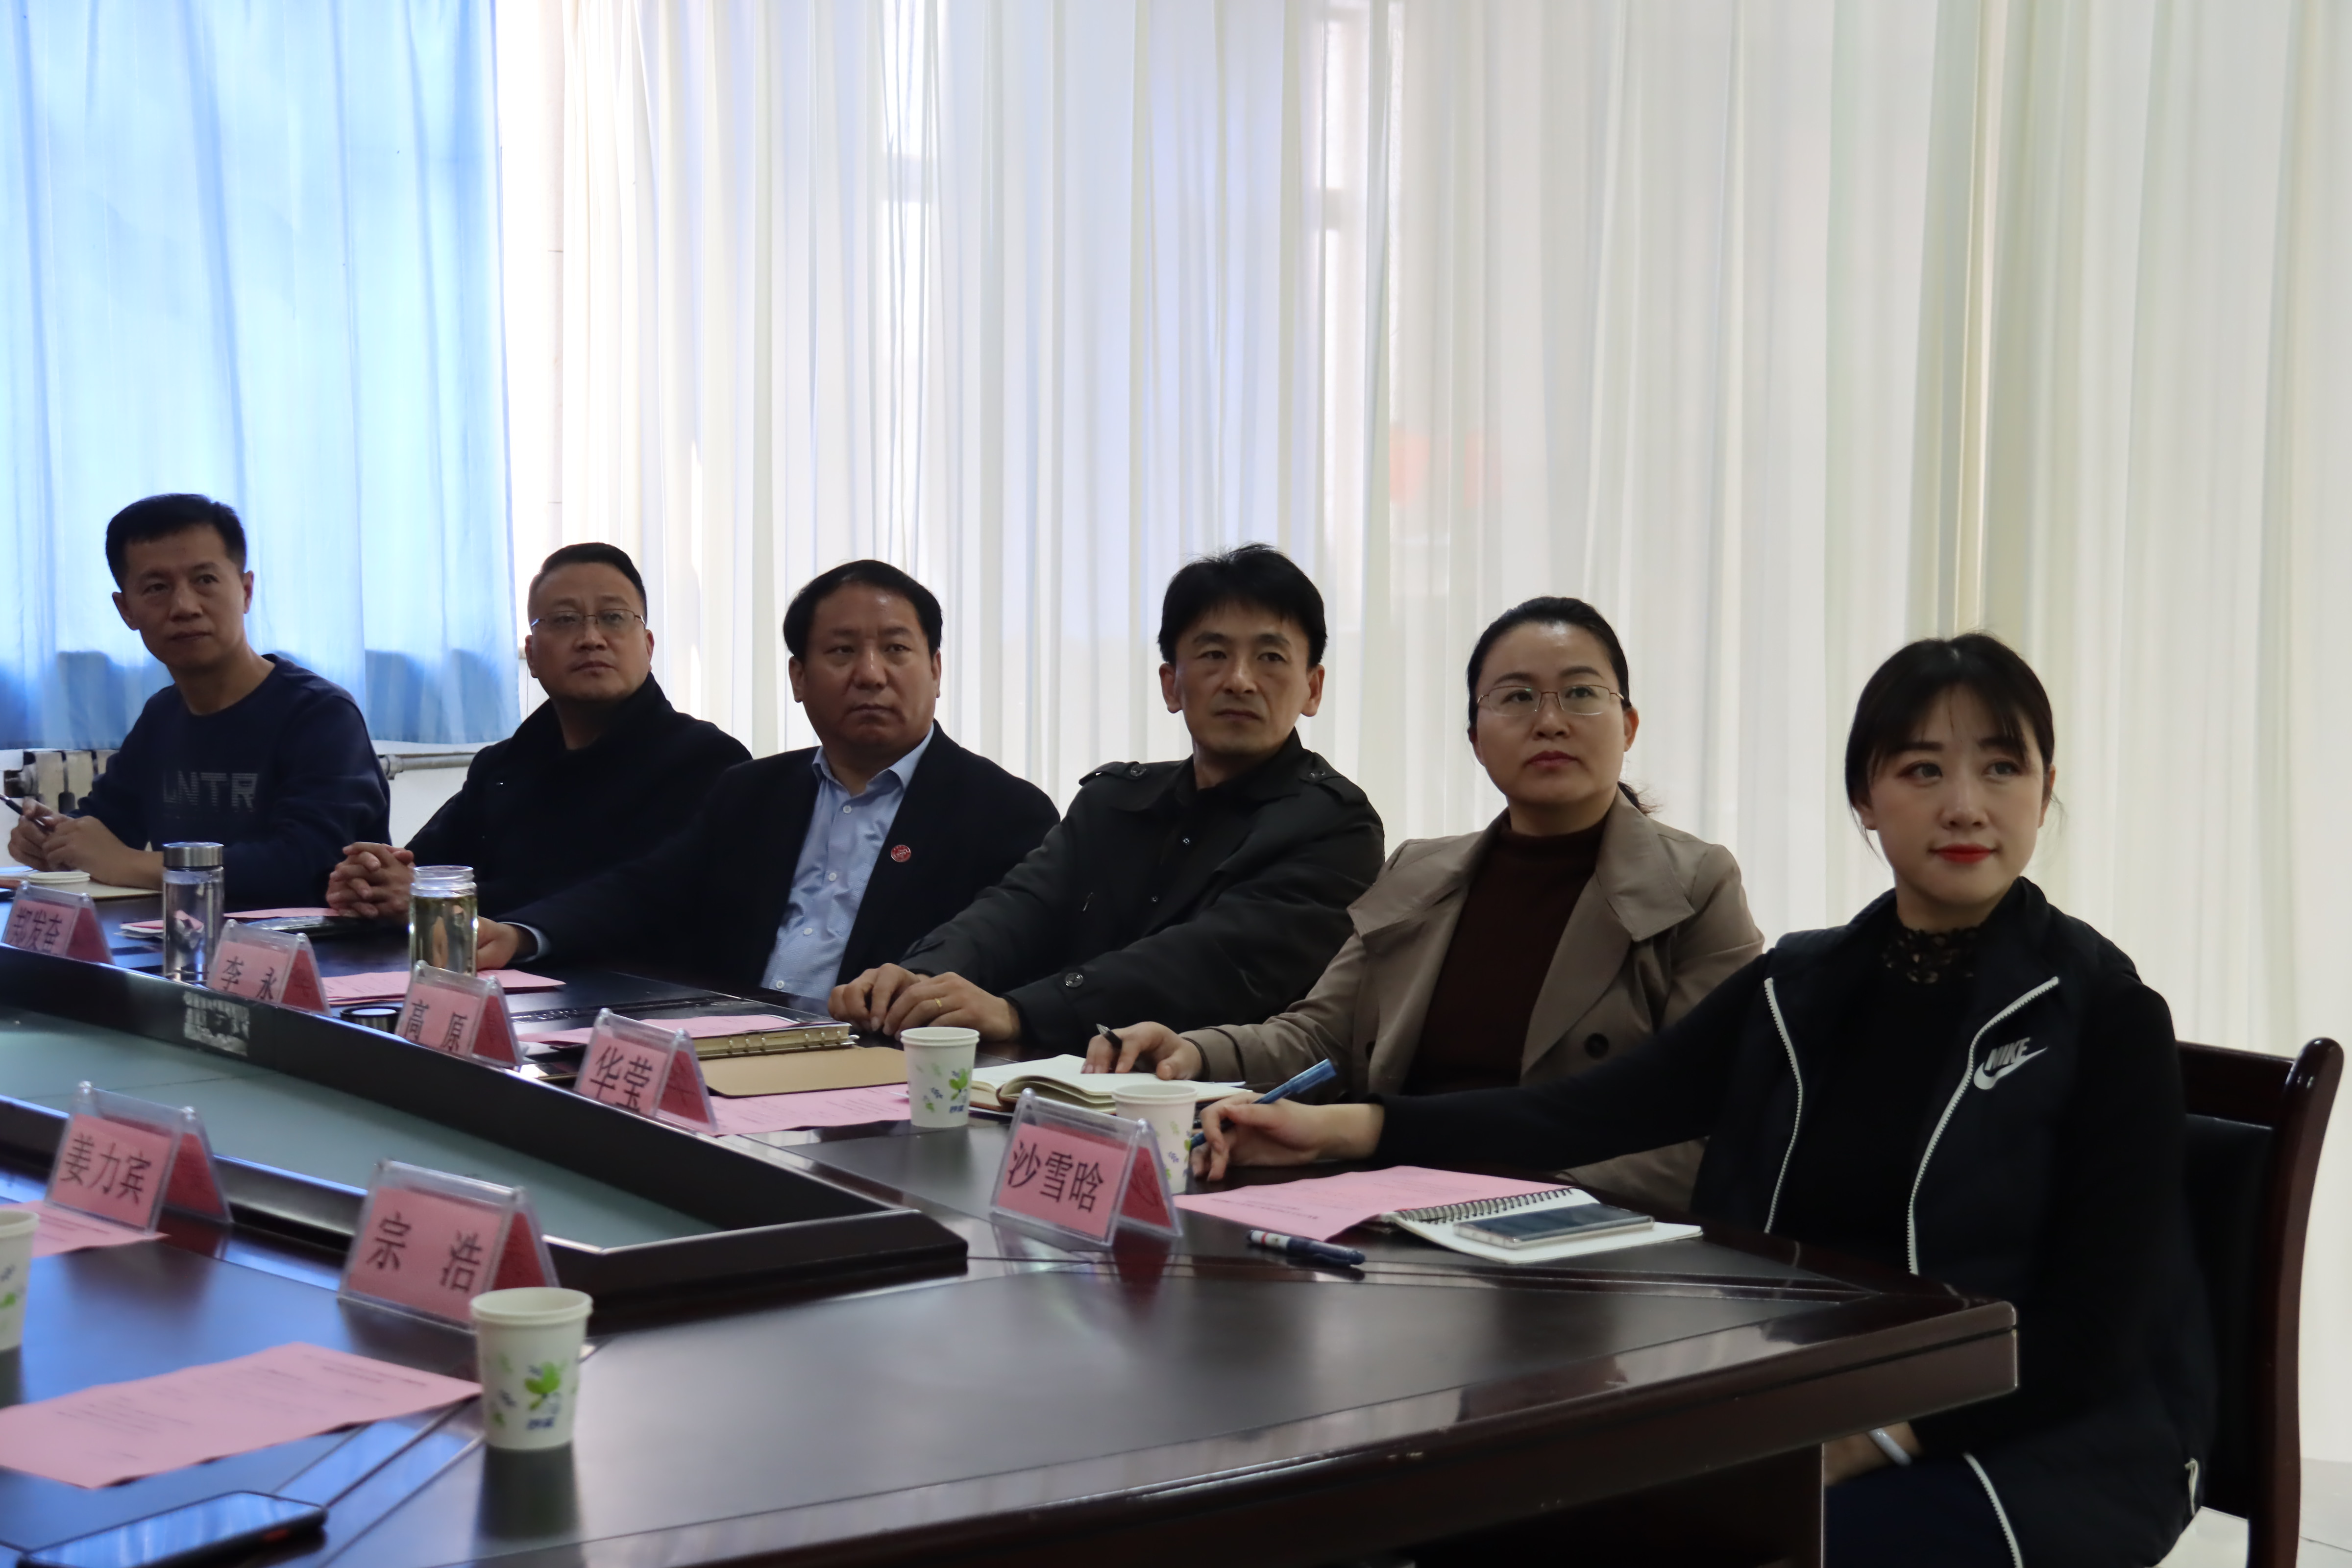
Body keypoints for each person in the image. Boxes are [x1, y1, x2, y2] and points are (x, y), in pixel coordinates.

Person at [1194, 633, 2212, 1568]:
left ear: (2046, 790)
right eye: (1921, 770)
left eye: (2002, 768)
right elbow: (1583, 1113)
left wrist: (1872, 1439)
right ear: (1865, 798)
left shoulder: (2102, 1011)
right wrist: (1343, 1129)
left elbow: (2093, 1334)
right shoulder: (1803, 986)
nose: (1965, 806)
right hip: (1821, 1393)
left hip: (2044, 1438)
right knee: (1502, 1511)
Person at [1087, 596, 1761, 1211]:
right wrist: (1193, 1053)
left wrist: (1526, 1196)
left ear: (1628, 725)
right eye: (1517, 697)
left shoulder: (1696, 886)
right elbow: (1319, 1040)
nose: (1550, 721)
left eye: (1582, 694)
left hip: (1571, 1228)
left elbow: (1710, 1124)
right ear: (1476, 738)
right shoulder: (1420, 871)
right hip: (1389, 1205)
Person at [832, 544, 1384, 1051]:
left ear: (1313, 688)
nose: (1240, 680)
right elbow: (1018, 908)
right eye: (1213, 654)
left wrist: (1019, 1012)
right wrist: (922, 978)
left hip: (1215, 1098)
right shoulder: (1117, 801)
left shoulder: (1336, 826)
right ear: (1171, 684)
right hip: (1060, 1083)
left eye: (1271, 658)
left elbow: (1212, 964)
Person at [472, 561, 1057, 998]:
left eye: (896, 649)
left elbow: (1012, 965)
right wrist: (523, 934)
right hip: (733, 1037)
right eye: (842, 651)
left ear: (935, 669)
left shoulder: (1004, 812)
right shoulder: (751, 792)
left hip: (879, 1061)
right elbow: (644, 891)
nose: (870, 674)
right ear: (799, 678)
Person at [323, 544, 748, 920]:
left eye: (614, 618)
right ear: (532, 655)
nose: (591, 638)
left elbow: (618, 899)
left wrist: (435, 897)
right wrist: (372, 880)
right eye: (564, 620)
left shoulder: (705, 761)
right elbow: (422, 867)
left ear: (648, 646)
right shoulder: (502, 765)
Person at [7, 494, 388, 908]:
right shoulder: (162, 716)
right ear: (126, 610)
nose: (184, 607)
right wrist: (54, 838)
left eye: (205, 580)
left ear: (246, 591)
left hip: (308, 945)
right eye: (156, 588)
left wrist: (129, 863)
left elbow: (308, 865)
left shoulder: (320, 714)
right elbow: (107, 826)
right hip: (183, 938)